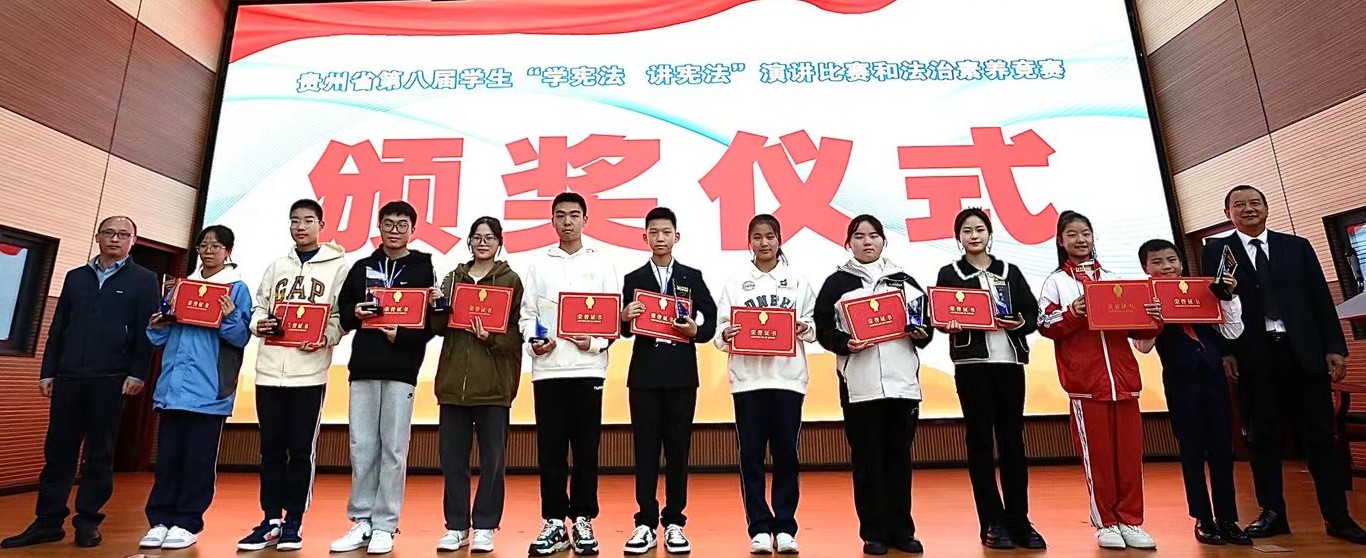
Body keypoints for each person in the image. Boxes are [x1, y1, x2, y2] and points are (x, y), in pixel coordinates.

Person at [1201, 185, 1366, 544]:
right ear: (1228, 213)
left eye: (1255, 203)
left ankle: (1338, 517)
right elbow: (1213, 306)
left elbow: (1320, 297)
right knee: (1263, 438)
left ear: (1266, 208)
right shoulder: (1216, 251)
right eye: (1239, 205)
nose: (1248, 209)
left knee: (1321, 435)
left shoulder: (1297, 246)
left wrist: (1335, 348)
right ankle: (1272, 514)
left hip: (1303, 351)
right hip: (1253, 354)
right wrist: (1225, 351)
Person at [1, 216, 157, 550]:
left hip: (112, 378)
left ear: (133, 240)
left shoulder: (144, 280)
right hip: (69, 377)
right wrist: (48, 371)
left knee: (99, 454)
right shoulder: (76, 277)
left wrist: (137, 373)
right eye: (108, 233)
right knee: (58, 453)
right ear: (97, 236)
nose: (114, 239)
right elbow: (59, 326)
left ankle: (88, 521)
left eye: (123, 234)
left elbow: (146, 332)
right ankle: (47, 522)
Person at [1036, 210, 1162, 550]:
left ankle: (1131, 521)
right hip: (1086, 386)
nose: (1081, 240)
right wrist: (1073, 312)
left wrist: (1154, 318)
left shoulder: (1113, 278)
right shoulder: (1055, 283)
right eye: (1072, 234)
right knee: (1099, 459)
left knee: (1129, 457)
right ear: (1060, 241)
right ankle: (1106, 522)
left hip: (1124, 383)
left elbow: (1139, 329)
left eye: (1086, 233)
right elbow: (1045, 325)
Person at [814, 214, 932, 556]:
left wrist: (921, 333)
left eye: (873, 236)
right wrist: (844, 343)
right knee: (868, 462)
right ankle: (874, 532)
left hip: (902, 385)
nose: (867, 242)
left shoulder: (904, 281)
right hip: (860, 385)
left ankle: (903, 531)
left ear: (884, 241)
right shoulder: (837, 283)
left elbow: (924, 326)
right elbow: (823, 329)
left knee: (899, 460)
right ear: (848, 243)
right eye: (859, 236)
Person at [236, 199, 349, 552]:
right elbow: (259, 307)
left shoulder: (338, 267)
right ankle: (270, 519)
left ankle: (294, 522)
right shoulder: (276, 266)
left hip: (308, 374)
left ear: (321, 225)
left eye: (308, 220)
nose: (300, 227)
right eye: (294, 221)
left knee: (300, 451)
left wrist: (325, 337)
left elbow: (341, 316)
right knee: (270, 450)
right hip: (269, 371)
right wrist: (258, 324)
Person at [932, 208, 1046, 550]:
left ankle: (1020, 521)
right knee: (980, 441)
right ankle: (993, 522)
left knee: (1013, 442)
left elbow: (1032, 314)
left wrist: (1019, 323)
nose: (974, 236)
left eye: (979, 229)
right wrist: (948, 323)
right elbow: (941, 315)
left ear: (989, 234)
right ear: (958, 238)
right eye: (967, 231)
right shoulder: (950, 273)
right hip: (973, 366)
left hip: (1009, 362)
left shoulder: (1009, 271)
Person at [330, 201, 437, 555]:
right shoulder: (362, 267)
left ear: (413, 230)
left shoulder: (424, 268)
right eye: (388, 223)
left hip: (402, 368)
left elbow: (432, 322)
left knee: (393, 448)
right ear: (379, 226)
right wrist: (356, 312)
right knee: (362, 446)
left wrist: (402, 336)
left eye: (402, 224)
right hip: (364, 365)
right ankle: (361, 520)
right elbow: (343, 312)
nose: (394, 230)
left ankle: (385, 525)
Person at [138, 225, 253, 551]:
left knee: (197, 462)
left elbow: (240, 338)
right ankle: (160, 521)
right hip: (173, 388)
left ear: (228, 252)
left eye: (216, 246)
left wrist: (230, 317)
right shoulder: (180, 286)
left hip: (209, 390)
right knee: (168, 460)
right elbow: (159, 337)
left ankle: (187, 522)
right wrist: (156, 324)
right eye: (204, 245)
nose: (208, 251)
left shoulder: (236, 288)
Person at [1132, 238, 1251, 546]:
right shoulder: (1144, 297)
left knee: (1222, 449)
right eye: (1157, 262)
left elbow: (1233, 331)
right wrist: (1152, 319)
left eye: (1171, 260)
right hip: (1180, 381)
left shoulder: (1203, 289)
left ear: (1181, 263)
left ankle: (1228, 518)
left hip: (1214, 379)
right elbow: (1142, 347)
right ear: (1145, 267)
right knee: (1192, 451)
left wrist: (1228, 297)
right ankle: (1203, 519)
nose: (1166, 266)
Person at [520, 192, 621, 557]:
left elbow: (612, 317)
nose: (567, 221)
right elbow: (527, 314)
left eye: (574, 215)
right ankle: (553, 521)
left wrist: (594, 343)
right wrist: (534, 343)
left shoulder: (602, 262)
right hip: (548, 371)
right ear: (552, 220)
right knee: (550, 451)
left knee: (586, 450)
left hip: (588, 369)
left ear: (585, 220)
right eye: (560, 215)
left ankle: (582, 519)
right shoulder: (538, 263)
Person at [713, 214, 816, 555]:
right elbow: (719, 333)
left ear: (779, 239)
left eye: (770, 236)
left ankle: (785, 527)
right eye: (757, 237)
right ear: (749, 242)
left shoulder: (798, 280)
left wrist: (804, 328)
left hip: (788, 379)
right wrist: (727, 334)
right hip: (748, 381)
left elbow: (814, 325)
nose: (764, 243)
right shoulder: (736, 281)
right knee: (751, 456)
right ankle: (758, 527)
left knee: (787, 454)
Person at [619, 207, 717, 555]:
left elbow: (710, 319)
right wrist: (624, 317)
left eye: (666, 232)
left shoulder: (691, 276)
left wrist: (696, 331)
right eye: (653, 232)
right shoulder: (633, 278)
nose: (660, 238)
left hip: (681, 376)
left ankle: (675, 521)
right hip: (644, 377)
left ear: (677, 236)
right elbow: (622, 329)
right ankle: (645, 522)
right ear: (644, 236)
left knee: (678, 451)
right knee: (645, 452)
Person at [431, 216, 524, 554]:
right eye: (477, 237)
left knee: (492, 462)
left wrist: (491, 337)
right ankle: (456, 526)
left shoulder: (511, 280)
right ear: (469, 241)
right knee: (452, 461)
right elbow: (438, 328)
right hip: (453, 385)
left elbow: (517, 335)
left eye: (489, 237)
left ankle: (485, 525)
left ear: (499, 242)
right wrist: (436, 305)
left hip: (494, 386)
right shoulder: (452, 277)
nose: (483, 243)